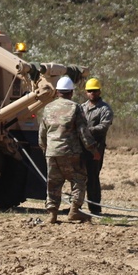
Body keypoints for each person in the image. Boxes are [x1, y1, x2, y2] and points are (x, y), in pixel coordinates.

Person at [40, 75, 101, 224]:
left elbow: (42, 132)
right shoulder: (75, 107)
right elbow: (83, 132)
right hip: (70, 152)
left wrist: (45, 149)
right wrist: (94, 150)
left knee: (53, 183)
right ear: (71, 92)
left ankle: (52, 214)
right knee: (79, 179)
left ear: (57, 92)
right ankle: (74, 211)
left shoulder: (48, 108)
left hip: (52, 151)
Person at [80, 77, 114, 215]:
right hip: (81, 147)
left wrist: (86, 130)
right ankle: (77, 206)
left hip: (95, 148)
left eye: (94, 91)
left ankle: (95, 208)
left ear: (99, 92)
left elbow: (104, 127)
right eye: (89, 91)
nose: (92, 93)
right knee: (79, 177)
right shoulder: (81, 107)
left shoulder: (105, 109)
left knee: (93, 177)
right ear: (86, 92)